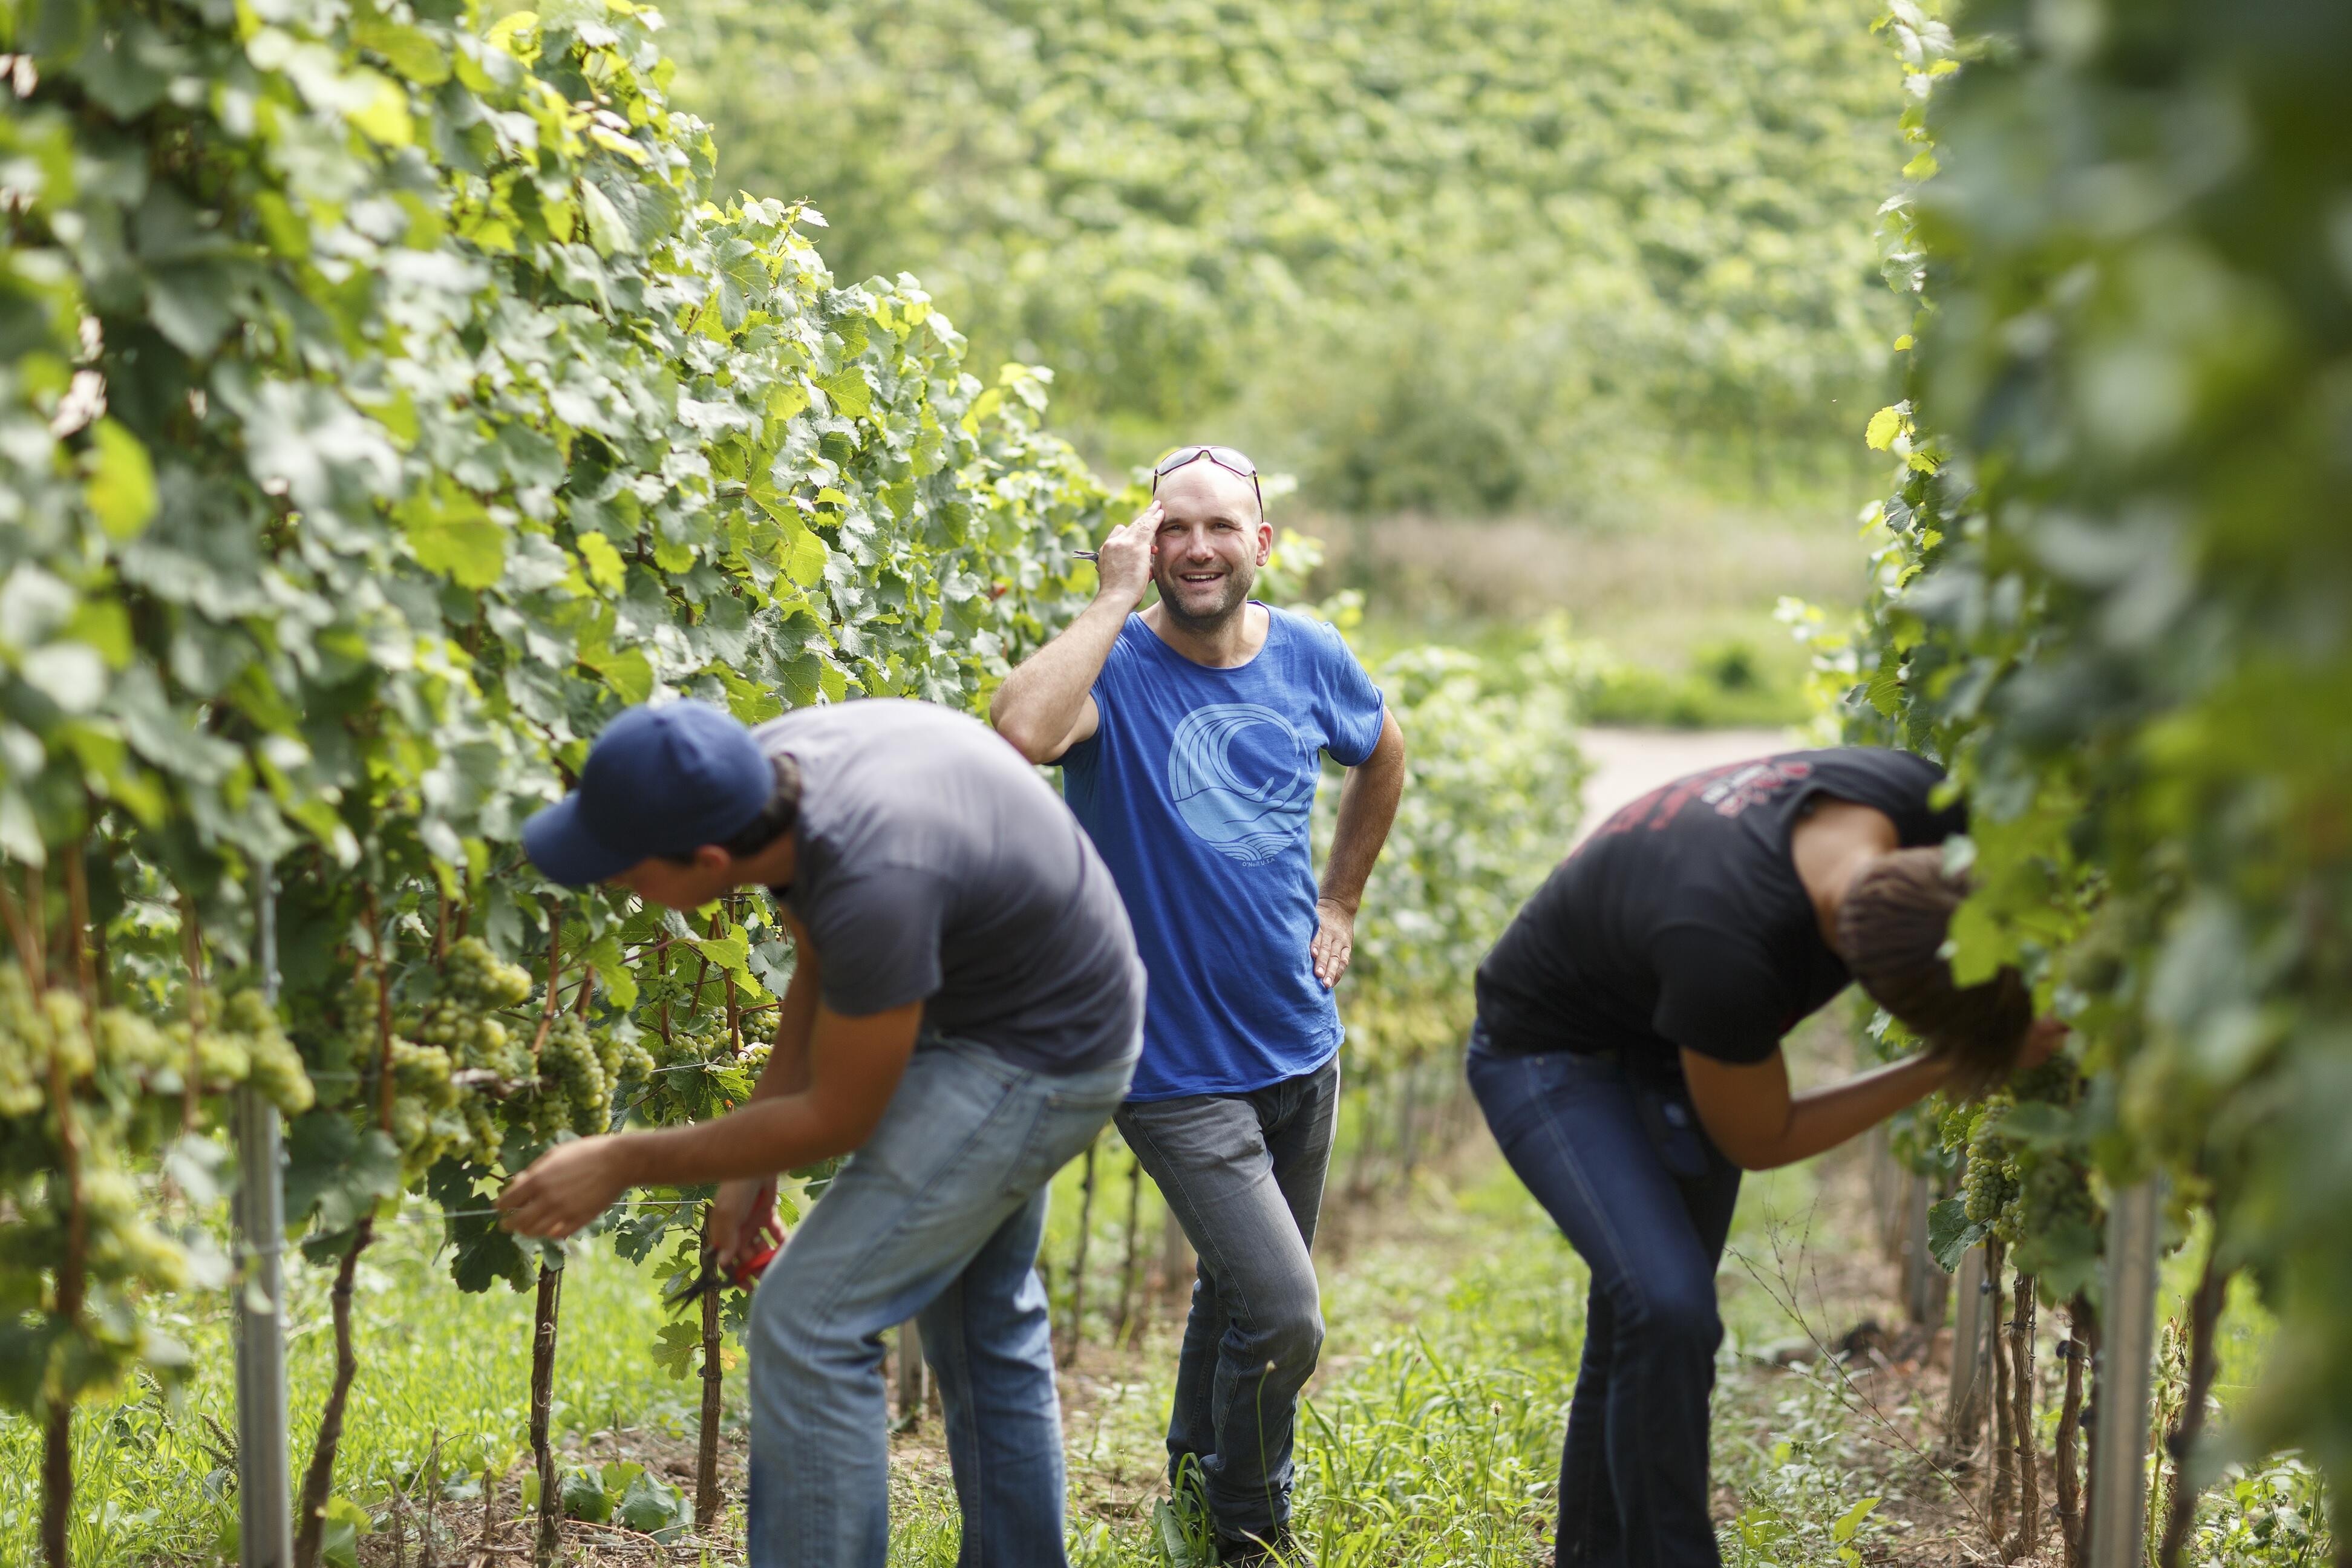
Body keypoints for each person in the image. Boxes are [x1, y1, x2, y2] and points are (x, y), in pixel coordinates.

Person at [495, 696, 1145, 1568]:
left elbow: (842, 1113)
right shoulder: (760, 773)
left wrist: (621, 1159)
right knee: (981, 1317)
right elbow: (823, 950)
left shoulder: (873, 868)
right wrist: (745, 1168)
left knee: (812, 1321)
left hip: (1043, 1052)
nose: (613, 882)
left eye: (624, 868)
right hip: (983, 985)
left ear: (712, 859)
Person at [1467, 747, 2063, 1568]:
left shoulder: (1918, 794)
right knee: (1667, 1305)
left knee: (1642, 1318)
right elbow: (1764, 1134)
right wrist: (1943, 1062)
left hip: (1662, 1013)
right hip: (1548, 1051)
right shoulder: (1728, 953)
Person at [991, 443, 1406, 1563]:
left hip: (1299, 1041)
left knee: (1238, 1298)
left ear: (1260, 543)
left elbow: (1383, 750)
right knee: (1286, 1315)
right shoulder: (1112, 670)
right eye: (1173, 529)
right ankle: (1247, 1527)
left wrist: (1344, 898)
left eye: (1220, 527)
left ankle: (1189, 1482)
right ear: (1146, 543)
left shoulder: (1312, 655)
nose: (1197, 550)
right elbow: (1019, 734)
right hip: (1170, 1068)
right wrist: (1109, 600)